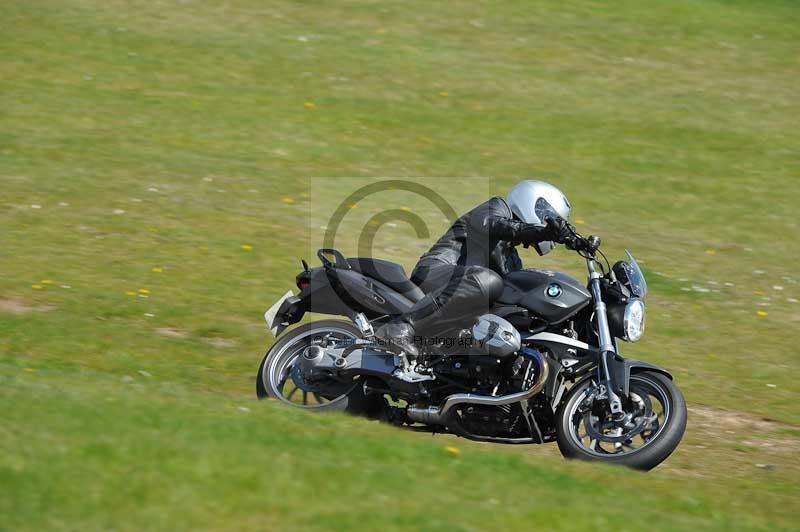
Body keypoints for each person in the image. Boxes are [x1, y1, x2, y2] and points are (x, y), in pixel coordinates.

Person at [376, 180, 575, 356]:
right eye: (548, 218)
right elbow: (495, 225)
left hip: (460, 300)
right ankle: (401, 327)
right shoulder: (495, 208)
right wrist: (541, 232)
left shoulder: (511, 257)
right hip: (437, 273)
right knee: (489, 280)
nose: (548, 224)